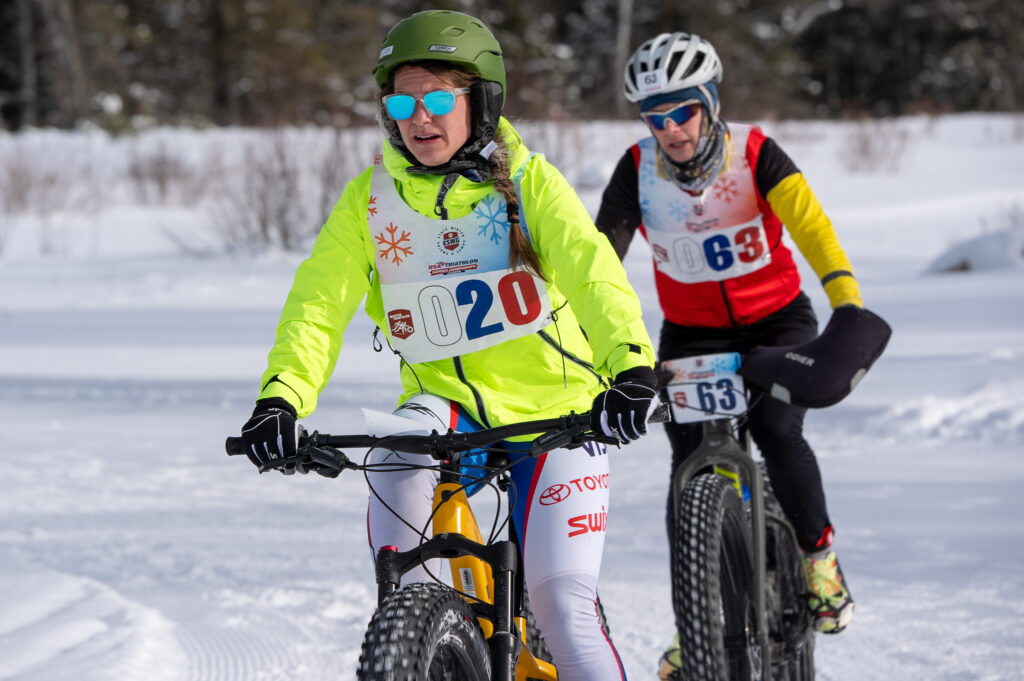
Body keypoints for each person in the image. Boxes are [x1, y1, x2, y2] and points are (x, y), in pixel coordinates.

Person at [237, 10, 660, 681]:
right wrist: (281, 399)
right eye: (401, 101)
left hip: (556, 410)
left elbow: (595, 276)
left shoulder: (531, 185)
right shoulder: (369, 203)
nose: (418, 118)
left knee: (563, 609)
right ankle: (417, 641)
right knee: (394, 462)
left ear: (481, 102)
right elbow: (318, 304)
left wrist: (631, 370)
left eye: (437, 98)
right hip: (445, 405)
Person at [595, 31, 860, 675]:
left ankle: (819, 560)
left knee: (773, 427)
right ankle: (701, 624)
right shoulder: (637, 169)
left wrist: (845, 303)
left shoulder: (756, 153)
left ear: (709, 102)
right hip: (693, 336)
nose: (671, 130)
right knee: (688, 472)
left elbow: (812, 228)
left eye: (682, 111)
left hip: (778, 323)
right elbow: (600, 257)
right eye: (655, 118)